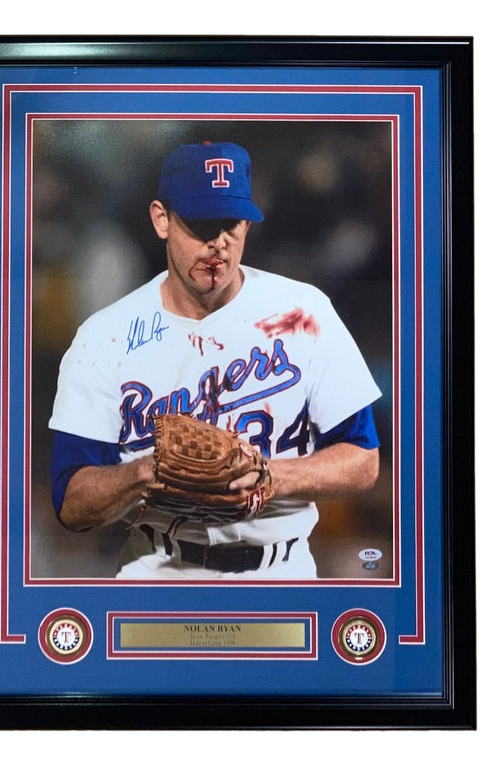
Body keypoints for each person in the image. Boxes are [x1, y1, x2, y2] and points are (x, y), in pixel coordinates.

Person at [48, 140, 382, 580]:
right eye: (201, 224)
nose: (217, 243)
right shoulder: (105, 337)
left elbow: (363, 460)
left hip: (280, 571)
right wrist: (142, 474)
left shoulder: (304, 312)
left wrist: (271, 476)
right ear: (162, 220)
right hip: (159, 570)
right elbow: (71, 503)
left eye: (230, 224)